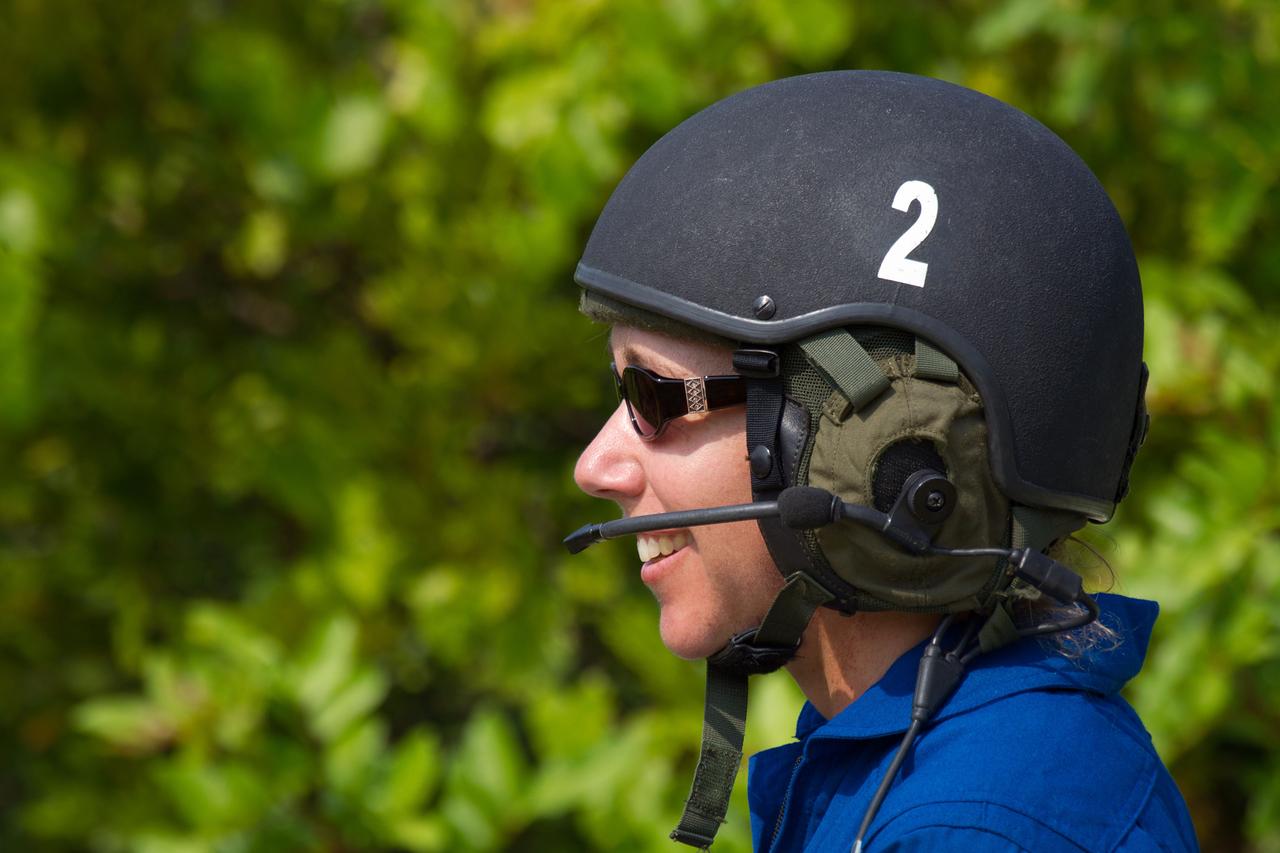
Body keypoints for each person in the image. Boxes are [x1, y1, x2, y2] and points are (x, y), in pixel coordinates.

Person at [565, 71, 1199, 852]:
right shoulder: (900, 764)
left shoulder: (974, 829)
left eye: (654, 397)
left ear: (886, 446)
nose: (596, 465)